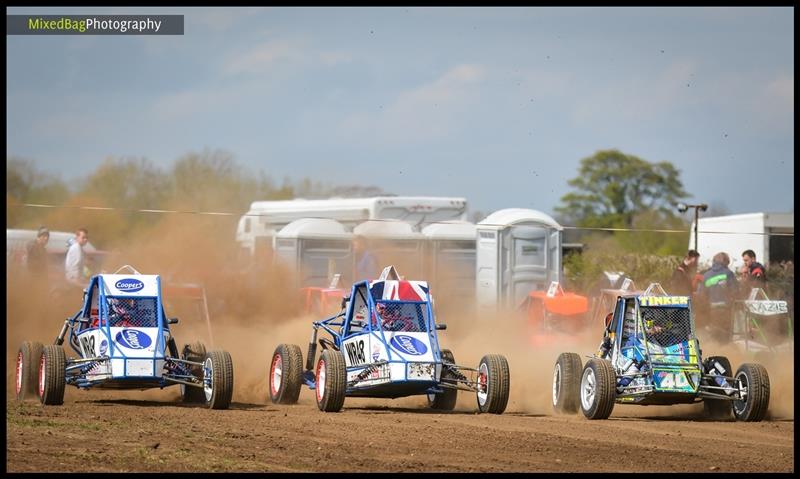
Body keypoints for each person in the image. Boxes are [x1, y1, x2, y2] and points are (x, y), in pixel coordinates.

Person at [696, 252, 738, 343]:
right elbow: (735, 292)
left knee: (713, 335)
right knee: (725, 336)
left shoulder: (706, 275)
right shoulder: (728, 273)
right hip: (725, 310)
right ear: (725, 262)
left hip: (711, 311)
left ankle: (714, 352)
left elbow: (701, 295)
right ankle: (726, 354)